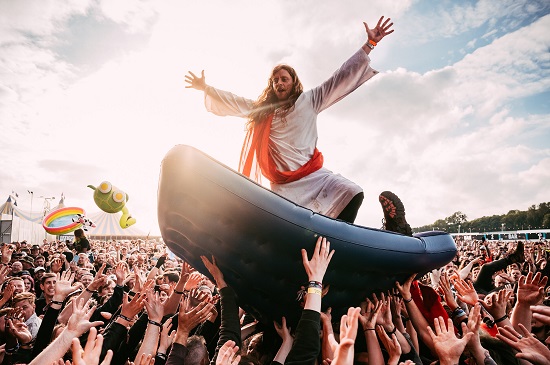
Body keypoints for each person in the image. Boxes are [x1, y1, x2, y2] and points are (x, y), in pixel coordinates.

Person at [185, 16, 396, 227]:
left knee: (352, 192)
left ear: (294, 82)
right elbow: (234, 101)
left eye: (284, 79)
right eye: (275, 80)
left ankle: (337, 240)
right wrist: (205, 88)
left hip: (314, 175)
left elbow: (340, 77)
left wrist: (370, 44)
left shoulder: (310, 100)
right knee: (289, 225)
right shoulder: (263, 111)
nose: (279, 83)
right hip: (284, 187)